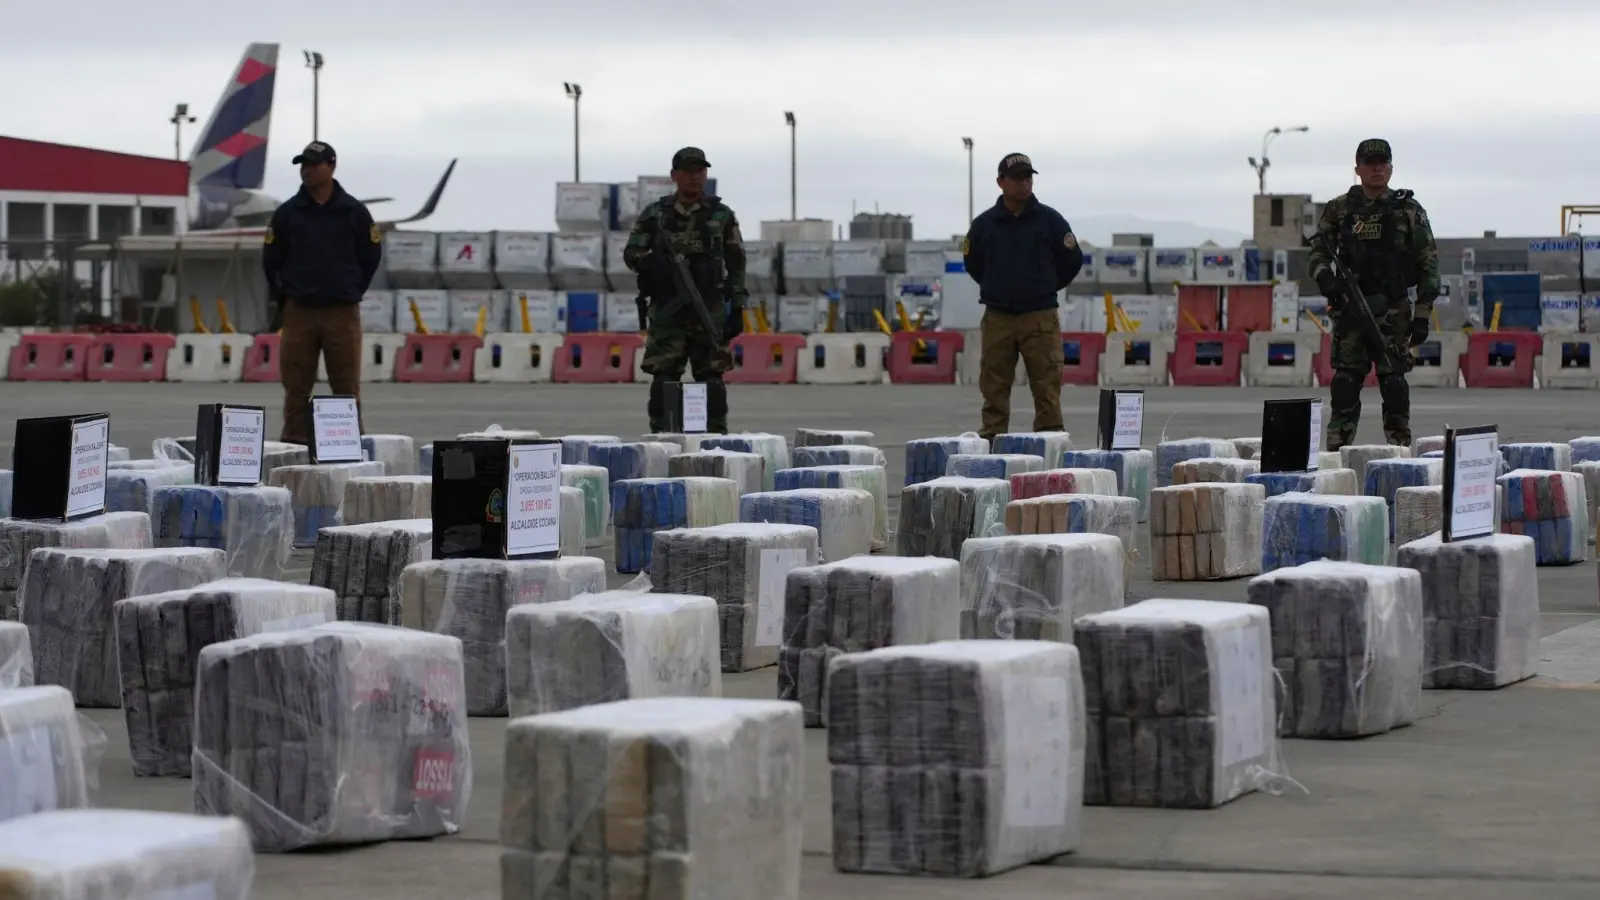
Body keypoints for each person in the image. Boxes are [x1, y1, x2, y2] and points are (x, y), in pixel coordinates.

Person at [1307, 138, 1439, 451]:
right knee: (1345, 385)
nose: (1377, 168)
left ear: (1391, 168)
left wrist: (1422, 314)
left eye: (1383, 162)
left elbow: (1429, 263)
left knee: (1394, 384)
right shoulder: (1340, 209)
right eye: (1370, 163)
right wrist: (1326, 279)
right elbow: (1317, 253)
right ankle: (1336, 454)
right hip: (1352, 310)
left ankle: (1399, 451)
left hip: (1393, 312)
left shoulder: (1408, 209)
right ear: (1358, 169)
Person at [261, 141, 382, 445]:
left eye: (314, 165)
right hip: (299, 310)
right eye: (303, 165)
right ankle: (294, 441)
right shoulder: (288, 213)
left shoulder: (353, 212)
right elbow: (271, 259)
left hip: (340, 310)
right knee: (296, 383)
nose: (307, 171)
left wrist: (352, 289)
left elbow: (371, 255)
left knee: (345, 383)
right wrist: (285, 295)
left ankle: (348, 443)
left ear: (331, 166)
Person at [621, 146, 746, 434]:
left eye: (700, 171)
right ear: (674, 175)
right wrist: (655, 264)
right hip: (668, 311)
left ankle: (716, 439)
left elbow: (737, 262)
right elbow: (631, 254)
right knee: (664, 379)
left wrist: (738, 305)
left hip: (708, 309)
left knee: (711, 381)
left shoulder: (721, 215)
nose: (695, 177)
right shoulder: (655, 215)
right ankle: (662, 438)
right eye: (688, 171)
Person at [962, 152, 1084, 442]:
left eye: (1028, 178)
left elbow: (1072, 259)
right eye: (1017, 178)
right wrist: (996, 286)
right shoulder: (984, 226)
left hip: (1039, 316)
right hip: (998, 317)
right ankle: (992, 438)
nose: (1024, 184)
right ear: (1000, 182)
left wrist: (1045, 286)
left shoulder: (1050, 221)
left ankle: (1050, 439)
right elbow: (973, 263)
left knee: (1047, 383)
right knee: (993, 383)